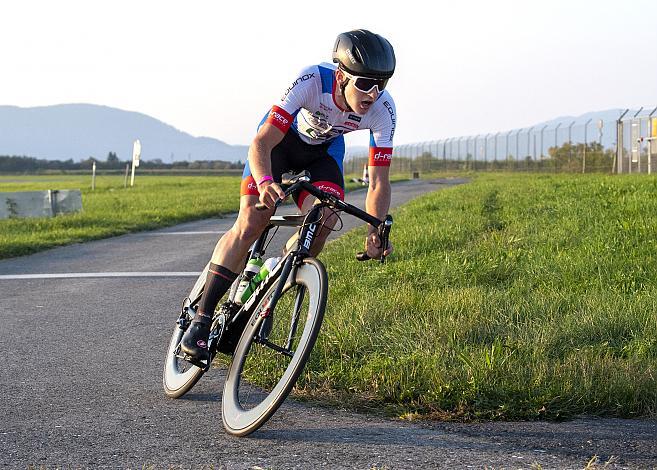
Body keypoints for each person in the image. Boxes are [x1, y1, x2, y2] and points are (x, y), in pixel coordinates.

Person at [180, 29, 397, 362]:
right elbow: (262, 142)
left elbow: (378, 182)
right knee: (251, 221)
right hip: (280, 144)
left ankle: (274, 278)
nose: (374, 93)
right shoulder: (312, 80)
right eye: (365, 83)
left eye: (382, 84)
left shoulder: (383, 109)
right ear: (341, 76)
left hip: (322, 153)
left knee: (324, 218)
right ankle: (201, 318)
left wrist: (375, 229)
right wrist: (266, 181)